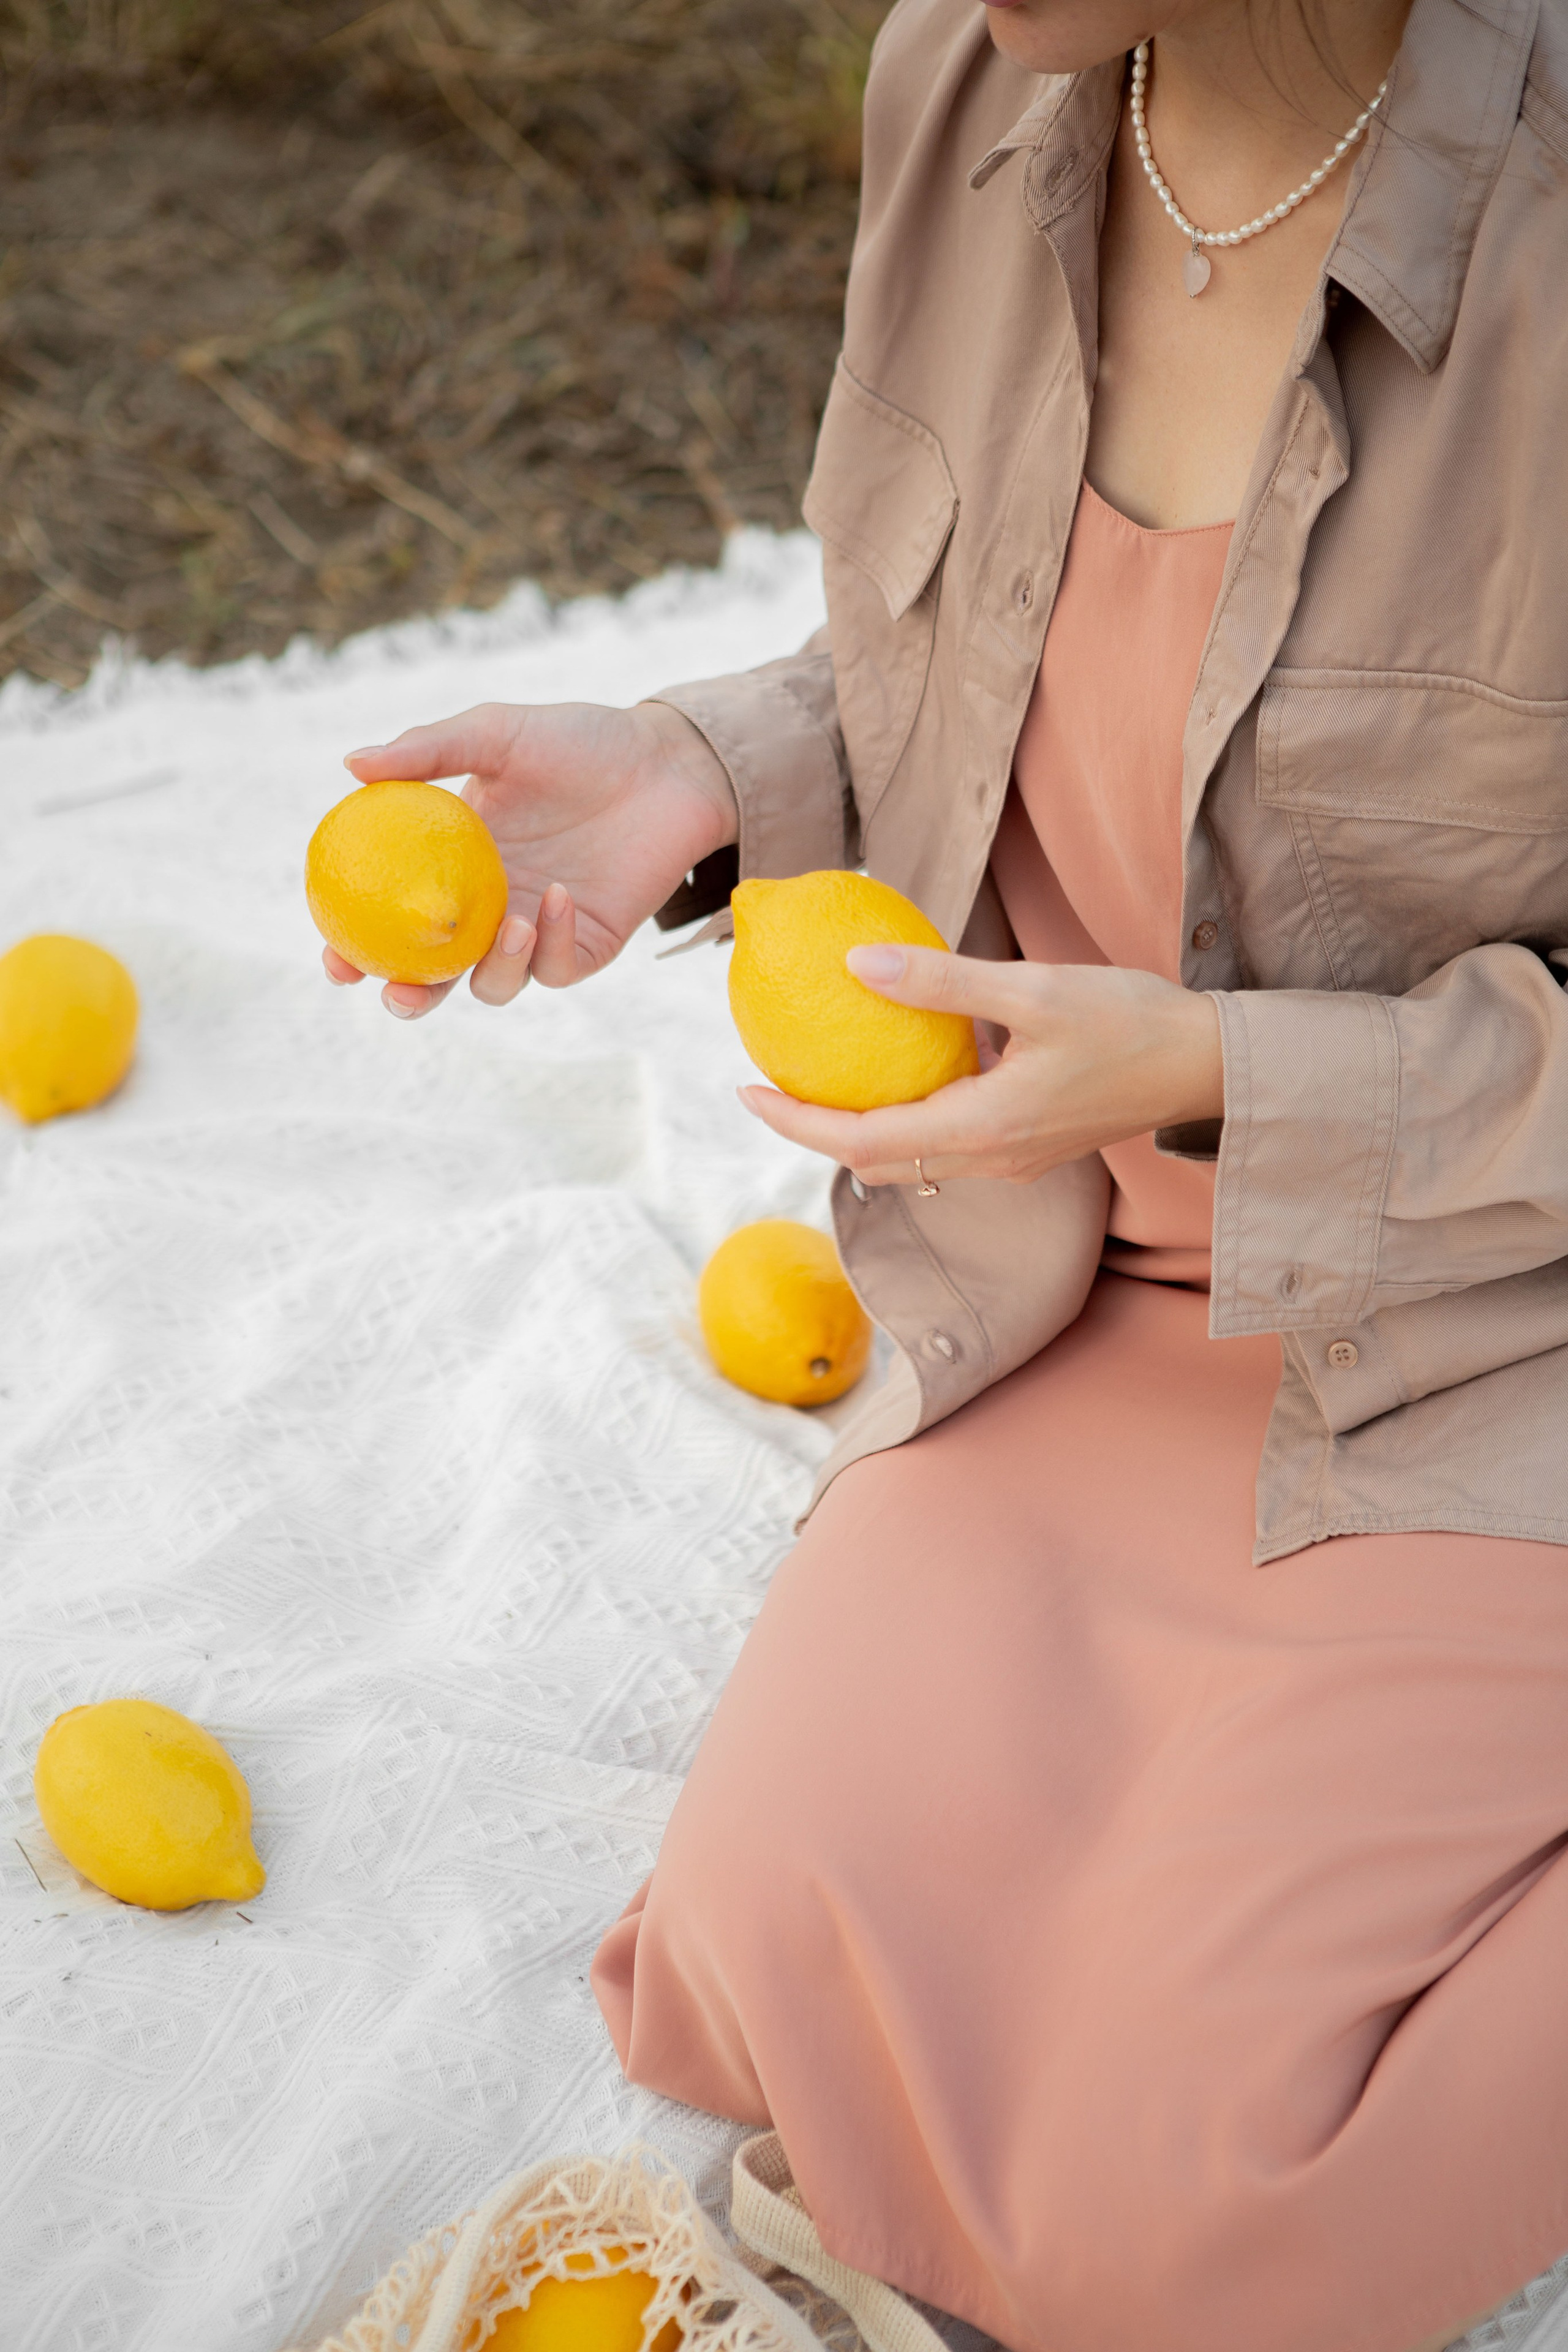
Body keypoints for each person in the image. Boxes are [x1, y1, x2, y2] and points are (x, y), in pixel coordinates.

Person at [327, 0, 1568, 2344]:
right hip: (1093, 1287)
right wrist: (701, 775)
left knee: (1204, 2233)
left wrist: (1219, 1064)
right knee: (749, 1985)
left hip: (1507, 1331)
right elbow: (999, 657)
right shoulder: (975, 85)